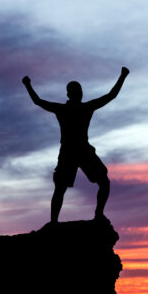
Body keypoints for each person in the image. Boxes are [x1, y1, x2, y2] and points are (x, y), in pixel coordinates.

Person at [23, 67, 129, 223]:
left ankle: (98, 215)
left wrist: (122, 76)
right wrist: (27, 85)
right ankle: (54, 223)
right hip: (69, 152)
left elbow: (110, 96)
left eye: (80, 90)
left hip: (82, 150)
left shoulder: (84, 108)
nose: (79, 93)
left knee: (103, 182)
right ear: (70, 94)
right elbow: (38, 101)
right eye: (76, 91)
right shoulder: (65, 109)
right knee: (60, 188)